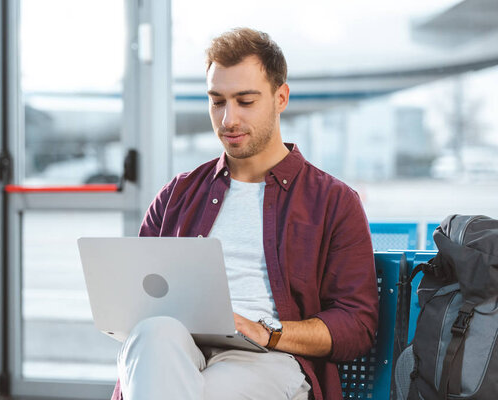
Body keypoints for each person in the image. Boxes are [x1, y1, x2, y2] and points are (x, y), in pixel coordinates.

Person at [112, 27, 378, 400]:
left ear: (280, 97)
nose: (227, 120)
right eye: (217, 101)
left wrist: (267, 331)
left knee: (209, 391)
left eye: (245, 101)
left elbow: (357, 326)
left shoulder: (333, 202)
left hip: (267, 358)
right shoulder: (177, 195)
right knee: (152, 334)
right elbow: (138, 305)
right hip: (177, 352)